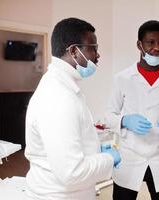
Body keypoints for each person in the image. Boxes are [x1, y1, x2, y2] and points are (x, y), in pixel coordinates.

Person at [25, 18, 121, 200]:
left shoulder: (63, 86)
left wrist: (93, 147)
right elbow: (72, 173)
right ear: (74, 51)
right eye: (93, 48)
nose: (98, 55)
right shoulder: (58, 97)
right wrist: (109, 158)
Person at [104, 20, 159, 200]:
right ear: (139, 45)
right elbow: (108, 116)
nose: (157, 48)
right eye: (151, 42)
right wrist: (125, 120)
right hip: (130, 156)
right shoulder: (122, 78)